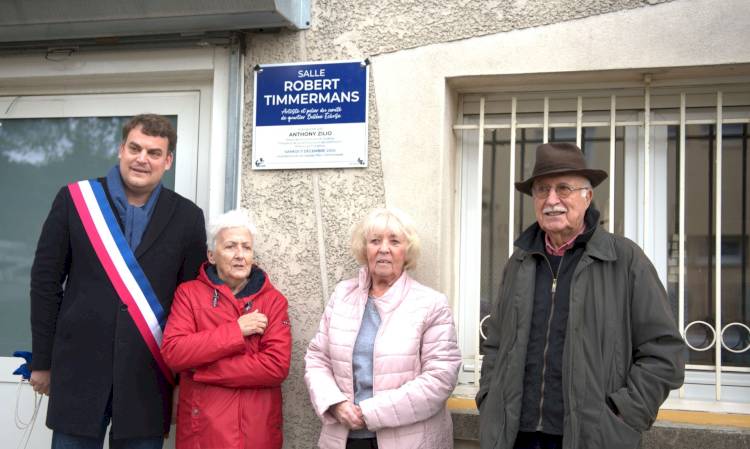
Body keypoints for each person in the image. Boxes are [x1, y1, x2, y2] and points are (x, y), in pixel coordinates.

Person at [476, 142, 685, 449]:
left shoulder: (625, 260)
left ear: (588, 197)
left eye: (564, 188)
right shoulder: (519, 261)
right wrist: (489, 396)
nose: (551, 200)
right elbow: (496, 342)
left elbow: (664, 352)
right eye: (542, 190)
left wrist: (624, 412)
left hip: (592, 435)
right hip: (515, 435)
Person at [29, 114, 207, 449]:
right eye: (135, 148)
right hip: (78, 371)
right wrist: (42, 361)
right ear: (120, 149)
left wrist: (185, 379)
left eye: (154, 153)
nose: (142, 159)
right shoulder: (75, 200)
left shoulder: (188, 217)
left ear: (167, 161)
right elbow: (45, 285)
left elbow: (192, 303)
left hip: (149, 377)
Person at [305, 207, 462, 449]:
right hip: (344, 437)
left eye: (395, 241)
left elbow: (440, 378)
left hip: (410, 440)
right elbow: (318, 358)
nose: (384, 249)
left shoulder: (431, 304)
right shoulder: (342, 296)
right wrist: (335, 403)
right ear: (364, 248)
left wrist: (369, 412)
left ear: (406, 250)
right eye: (375, 241)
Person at [161, 208, 292, 449]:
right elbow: (174, 352)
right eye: (231, 246)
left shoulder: (273, 301)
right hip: (202, 434)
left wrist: (201, 368)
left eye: (247, 247)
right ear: (211, 255)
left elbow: (275, 367)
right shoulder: (189, 294)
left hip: (256, 433)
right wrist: (236, 331)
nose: (240, 255)